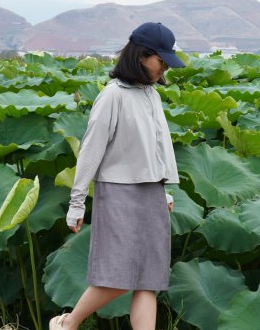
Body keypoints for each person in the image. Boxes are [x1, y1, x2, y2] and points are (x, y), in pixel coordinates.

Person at [49, 22, 185, 330]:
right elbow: (91, 151)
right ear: (140, 56)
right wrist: (77, 202)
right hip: (119, 192)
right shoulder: (113, 95)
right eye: (160, 60)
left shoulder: (151, 95)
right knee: (119, 277)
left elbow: (152, 150)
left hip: (151, 192)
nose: (163, 67)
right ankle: (69, 323)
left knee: (149, 280)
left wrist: (160, 190)